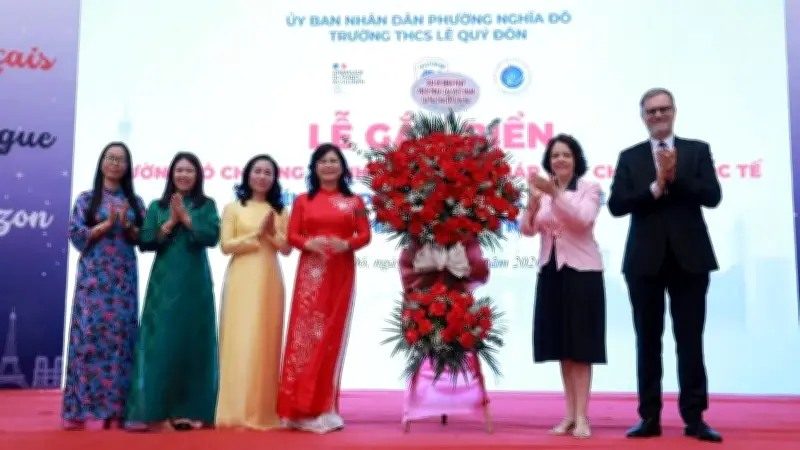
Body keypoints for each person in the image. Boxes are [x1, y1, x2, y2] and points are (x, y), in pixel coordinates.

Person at [607, 88, 723, 443]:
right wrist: (656, 187)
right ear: (643, 116)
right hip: (644, 262)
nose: (658, 115)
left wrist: (675, 177)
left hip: (691, 260)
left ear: (674, 111)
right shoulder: (630, 157)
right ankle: (649, 417)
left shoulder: (697, 150)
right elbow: (616, 205)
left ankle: (695, 418)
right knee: (647, 341)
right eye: (651, 111)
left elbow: (713, 196)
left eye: (663, 109)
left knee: (690, 341)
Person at [277, 143, 371, 434]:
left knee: (331, 336)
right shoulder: (303, 201)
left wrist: (347, 244)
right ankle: (297, 407)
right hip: (311, 273)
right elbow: (293, 235)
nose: (328, 166)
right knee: (305, 336)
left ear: (342, 167)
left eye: (334, 161)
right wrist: (309, 243)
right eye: (323, 161)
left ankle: (324, 407)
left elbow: (365, 235)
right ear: (314, 168)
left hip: (341, 271)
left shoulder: (355, 201)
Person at [126, 152, 221, 431]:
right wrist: (170, 222)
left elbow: (212, 236)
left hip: (195, 282)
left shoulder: (206, 205)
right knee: (161, 343)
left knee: (193, 342)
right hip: (164, 283)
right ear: (171, 174)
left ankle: (191, 411)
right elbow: (145, 241)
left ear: (198, 175)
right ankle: (156, 412)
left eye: (189, 171)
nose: (184, 175)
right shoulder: (157, 206)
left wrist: (187, 219)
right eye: (179, 170)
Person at [519, 134, 606, 439]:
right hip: (551, 272)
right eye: (555, 155)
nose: (560, 160)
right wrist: (532, 202)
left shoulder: (589, 189)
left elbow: (582, 220)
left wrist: (555, 193)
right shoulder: (543, 193)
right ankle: (569, 415)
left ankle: (583, 416)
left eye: (566, 155)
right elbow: (527, 229)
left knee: (580, 348)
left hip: (582, 274)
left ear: (576, 159)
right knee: (562, 348)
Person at [62, 142, 146, 430]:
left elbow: (143, 240)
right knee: (88, 338)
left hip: (123, 279)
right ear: (102, 163)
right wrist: (105, 225)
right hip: (94, 279)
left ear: (128, 166)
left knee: (121, 340)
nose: (115, 164)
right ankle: (78, 411)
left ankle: (117, 410)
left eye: (121, 160)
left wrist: (129, 227)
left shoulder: (135, 201)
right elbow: (76, 236)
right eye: (110, 158)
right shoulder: (86, 199)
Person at [216, 154, 291, 430]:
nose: (262, 176)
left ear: (274, 179)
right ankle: (233, 411)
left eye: (268, 172)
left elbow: (286, 248)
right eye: (257, 171)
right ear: (248, 175)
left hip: (269, 279)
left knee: (264, 340)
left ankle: (262, 410)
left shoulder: (280, 211)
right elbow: (226, 246)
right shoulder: (233, 208)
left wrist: (269, 234)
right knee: (238, 340)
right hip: (240, 279)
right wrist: (256, 235)